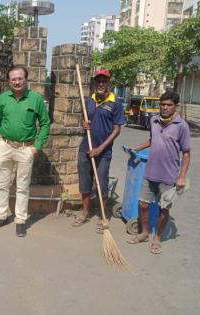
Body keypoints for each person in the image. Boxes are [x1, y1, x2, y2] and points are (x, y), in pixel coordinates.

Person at [0, 65, 51, 237]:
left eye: (20, 78)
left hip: (26, 149)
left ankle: (21, 219)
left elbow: (45, 124)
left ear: (26, 79)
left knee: (22, 186)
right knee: (2, 184)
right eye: (13, 79)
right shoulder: (3, 98)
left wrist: (37, 147)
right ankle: (1, 215)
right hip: (5, 146)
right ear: (9, 81)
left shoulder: (36, 99)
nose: (17, 82)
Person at [127, 91, 191, 254]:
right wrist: (137, 147)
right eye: (162, 104)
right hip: (150, 172)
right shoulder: (153, 120)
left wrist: (181, 176)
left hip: (169, 175)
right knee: (142, 204)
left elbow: (186, 153)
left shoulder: (181, 125)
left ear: (175, 106)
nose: (165, 107)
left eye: (169, 105)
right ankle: (144, 233)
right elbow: (153, 139)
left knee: (164, 209)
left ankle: (157, 238)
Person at [73, 69, 125, 231]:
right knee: (85, 183)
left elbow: (117, 130)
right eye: (98, 81)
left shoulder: (115, 103)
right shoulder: (88, 100)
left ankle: (103, 216)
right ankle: (85, 213)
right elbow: (85, 119)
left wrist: (100, 148)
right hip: (85, 148)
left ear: (109, 82)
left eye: (104, 81)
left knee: (102, 184)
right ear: (95, 83)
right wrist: (84, 123)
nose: (101, 84)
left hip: (103, 151)